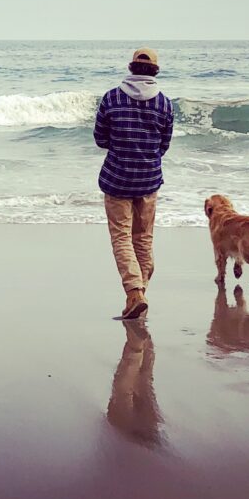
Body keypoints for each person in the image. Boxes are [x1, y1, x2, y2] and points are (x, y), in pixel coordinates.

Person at [94, 47, 174, 319]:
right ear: (155, 71)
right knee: (143, 240)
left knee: (121, 238)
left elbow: (100, 139)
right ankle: (139, 294)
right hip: (149, 180)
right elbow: (164, 145)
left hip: (117, 178)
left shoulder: (112, 98)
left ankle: (135, 293)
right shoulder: (164, 103)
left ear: (130, 68)